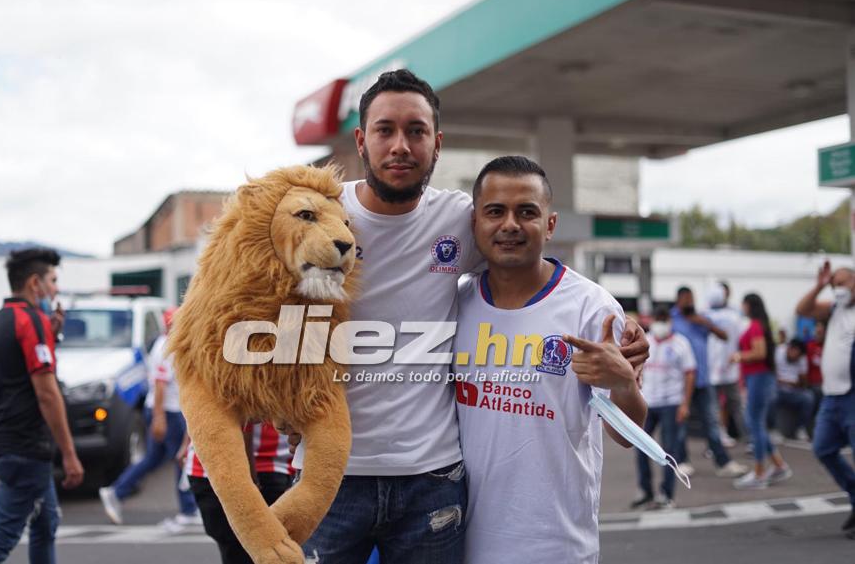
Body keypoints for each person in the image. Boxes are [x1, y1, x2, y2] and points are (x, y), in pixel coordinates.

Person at [292, 69, 650, 563]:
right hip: (329, 472)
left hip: (432, 482)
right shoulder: (311, 217)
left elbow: (528, 264)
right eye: (385, 130)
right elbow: (251, 305)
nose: (401, 145)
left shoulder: (460, 219)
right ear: (360, 139)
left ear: (437, 144)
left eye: (416, 131)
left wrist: (623, 342)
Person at [452, 156, 646, 564]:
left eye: (527, 212)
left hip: (556, 546)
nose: (510, 225)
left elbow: (626, 434)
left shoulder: (592, 308)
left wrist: (624, 383)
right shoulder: (456, 301)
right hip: (459, 542)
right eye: (495, 212)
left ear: (550, 225)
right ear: (475, 223)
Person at [0, 248, 84, 564]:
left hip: (9, 442)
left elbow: (13, 374)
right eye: (53, 280)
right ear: (36, 283)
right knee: (1, 540)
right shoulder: (30, 321)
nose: (56, 289)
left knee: (46, 524)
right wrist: (70, 455)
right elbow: (47, 394)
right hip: (25, 447)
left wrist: (51, 334)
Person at [99, 308, 200, 528]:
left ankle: (117, 491)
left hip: (165, 409)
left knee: (155, 458)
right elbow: (160, 383)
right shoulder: (167, 347)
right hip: (168, 410)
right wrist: (159, 417)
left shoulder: (165, 344)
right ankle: (188, 509)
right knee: (182, 457)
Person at [795, 262, 855, 536]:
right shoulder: (835, 309)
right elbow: (802, 310)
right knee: (823, 448)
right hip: (832, 397)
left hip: (852, 395)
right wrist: (819, 285)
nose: (837, 289)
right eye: (834, 285)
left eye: (841, 283)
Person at [183, 422, 294, 564]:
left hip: (214, 468)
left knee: (241, 551)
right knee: (259, 551)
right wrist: (248, 477)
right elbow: (243, 419)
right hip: (256, 469)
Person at [672, 287, 748, 478]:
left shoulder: (701, 318)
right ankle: (681, 461)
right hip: (681, 381)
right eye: (686, 300)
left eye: (692, 299)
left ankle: (723, 462)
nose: (689, 303)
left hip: (703, 379)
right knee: (680, 424)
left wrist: (705, 323)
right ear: (678, 300)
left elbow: (724, 336)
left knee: (711, 422)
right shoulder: (673, 319)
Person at [632, 306, 696, 510]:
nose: (660, 323)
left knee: (668, 451)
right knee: (640, 446)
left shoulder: (680, 344)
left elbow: (690, 373)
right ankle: (645, 491)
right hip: (648, 402)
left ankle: (667, 494)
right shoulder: (646, 341)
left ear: (669, 320)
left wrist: (685, 403)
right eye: (657, 319)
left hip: (671, 403)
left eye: (663, 319)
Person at [732, 293, 792, 489]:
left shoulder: (756, 326)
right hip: (757, 378)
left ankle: (759, 472)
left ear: (749, 305)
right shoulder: (759, 325)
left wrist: (739, 356)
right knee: (756, 423)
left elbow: (760, 352)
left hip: (759, 377)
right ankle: (778, 465)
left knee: (754, 423)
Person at [706, 281, 746, 447]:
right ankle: (750, 439)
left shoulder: (704, 316)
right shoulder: (735, 316)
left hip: (712, 369)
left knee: (715, 407)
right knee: (736, 406)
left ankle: (717, 440)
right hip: (730, 367)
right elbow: (742, 338)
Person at [774, 338, 814, 440]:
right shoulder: (778, 352)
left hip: (794, 391)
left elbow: (802, 383)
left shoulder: (802, 358)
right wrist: (788, 382)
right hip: (777, 389)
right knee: (770, 396)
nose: (797, 359)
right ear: (791, 349)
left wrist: (791, 382)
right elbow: (773, 377)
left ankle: (801, 429)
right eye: (797, 354)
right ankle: (774, 429)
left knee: (808, 398)